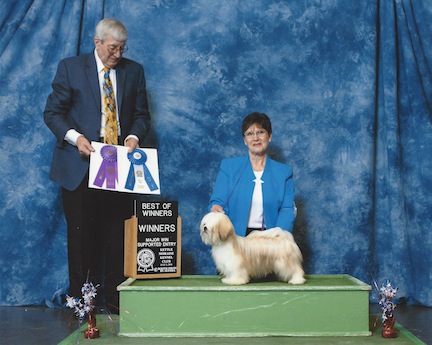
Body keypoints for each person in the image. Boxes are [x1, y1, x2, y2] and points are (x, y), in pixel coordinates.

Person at [44, 18, 151, 312]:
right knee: (81, 236)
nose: (118, 54)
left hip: (118, 165)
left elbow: (142, 115)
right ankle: (81, 302)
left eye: (122, 49)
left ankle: (114, 299)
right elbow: (52, 113)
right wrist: (76, 138)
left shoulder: (134, 71)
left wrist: (132, 136)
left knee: (117, 234)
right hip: (80, 165)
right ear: (97, 43)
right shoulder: (71, 68)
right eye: (113, 49)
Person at [208, 112, 296, 236]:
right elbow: (218, 201)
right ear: (245, 140)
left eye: (260, 132)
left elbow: (287, 209)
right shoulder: (229, 167)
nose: (255, 138)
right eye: (249, 133)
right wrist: (216, 207)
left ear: (269, 136)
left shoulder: (284, 173)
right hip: (235, 238)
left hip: (271, 238)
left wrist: (278, 236)